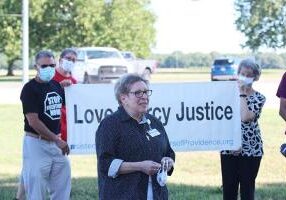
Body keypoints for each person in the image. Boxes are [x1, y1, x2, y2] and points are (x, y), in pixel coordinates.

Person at [96, 73, 175, 200]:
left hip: (157, 194)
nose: (144, 97)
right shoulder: (110, 125)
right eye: (138, 93)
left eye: (146, 92)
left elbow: (168, 152)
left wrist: (169, 162)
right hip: (123, 194)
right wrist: (140, 166)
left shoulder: (154, 122)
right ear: (123, 98)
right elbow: (106, 164)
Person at [15, 48, 77, 200]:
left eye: (52, 65)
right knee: (36, 190)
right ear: (36, 66)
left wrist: (70, 88)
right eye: (44, 66)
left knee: (63, 183)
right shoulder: (29, 89)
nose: (48, 69)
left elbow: (74, 103)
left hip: (56, 144)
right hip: (36, 143)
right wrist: (57, 140)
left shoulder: (56, 85)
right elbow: (33, 121)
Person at [220, 58, 266, 200]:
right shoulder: (226, 95)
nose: (245, 77)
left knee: (247, 191)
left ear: (255, 77)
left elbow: (246, 117)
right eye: (242, 73)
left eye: (249, 74)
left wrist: (242, 93)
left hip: (251, 150)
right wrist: (233, 143)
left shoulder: (259, 97)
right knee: (229, 190)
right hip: (228, 147)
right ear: (238, 73)